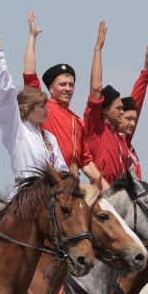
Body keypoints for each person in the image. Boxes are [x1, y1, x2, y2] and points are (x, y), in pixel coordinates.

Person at [21, 12, 107, 188]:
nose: (68, 88)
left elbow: (86, 161)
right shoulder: (44, 108)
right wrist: (32, 38)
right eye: (63, 84)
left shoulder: (77, 121)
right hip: (48, 184)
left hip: (71, 185)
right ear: (51, 88)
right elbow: (29, 75)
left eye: (71, 84)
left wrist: (109, 190)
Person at [0, 31, 68, 193]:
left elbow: (61, 169)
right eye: (42, 106)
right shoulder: (16, 130)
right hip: (25, 196)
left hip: (49, 196)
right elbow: (8, 95)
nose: (47, 109)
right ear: (28, 109)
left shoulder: (49, 137)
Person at [83, 31, 148, 184]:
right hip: (103, 196)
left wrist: (146, 73)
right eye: (118, 108)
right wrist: (98, 49)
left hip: (123, 197)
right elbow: (96, 89)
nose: (122, 112)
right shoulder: (95, 130)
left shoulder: (121, 137)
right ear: (104, 110)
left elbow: (134, 104)